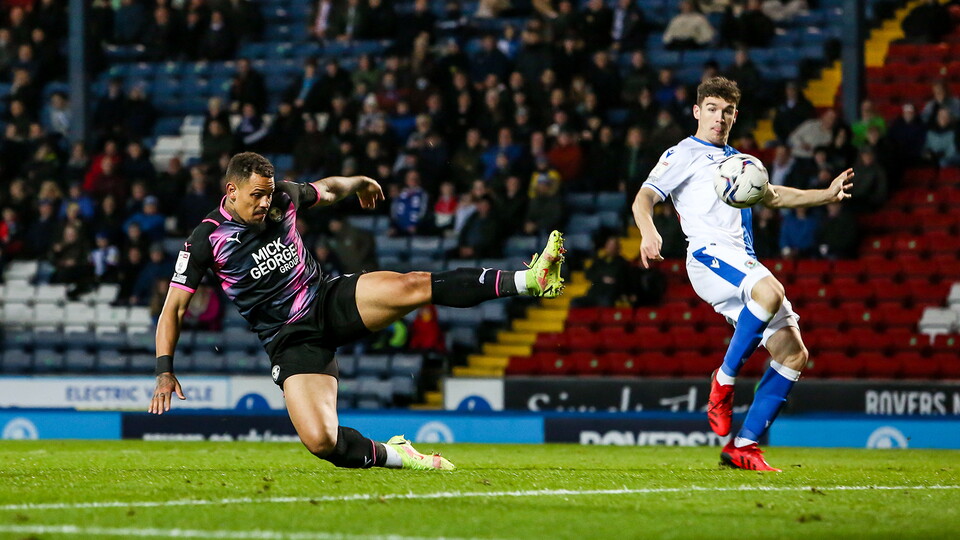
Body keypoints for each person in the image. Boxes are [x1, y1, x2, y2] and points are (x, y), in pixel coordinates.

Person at [148, 152, 566, 472]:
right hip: (291, 340)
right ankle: (400, 456)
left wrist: (360, 182)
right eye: (256, 195)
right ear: (231, 192)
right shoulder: (205, 240)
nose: (265, 202)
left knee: (412, 285)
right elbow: (174, 308)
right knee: (321, 441)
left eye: (269, 193)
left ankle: (528, 280)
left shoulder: (282, 199)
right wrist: (165, 368)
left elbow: (327, 189)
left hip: (328, 299)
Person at [631, 77, 854, 471]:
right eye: (712, 109)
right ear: (698, 111)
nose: (719, 118)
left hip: (740, 261)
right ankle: (724, 379)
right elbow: (644, 197)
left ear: (736, 115)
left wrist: (826, 194)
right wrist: (649, 231)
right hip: (707, 255)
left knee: (793, 354)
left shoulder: (741, 163)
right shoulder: (683, 153)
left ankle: (743, 447)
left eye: (727, 111)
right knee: (770, 292)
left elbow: (774, 195)